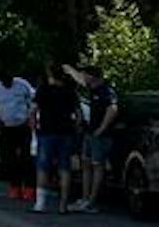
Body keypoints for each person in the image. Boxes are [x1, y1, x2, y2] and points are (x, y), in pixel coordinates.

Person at [65, 62, 119, 213]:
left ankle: (92, 201)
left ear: (92, 76)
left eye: (85, 75)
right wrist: (70, 70)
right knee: (86, 164)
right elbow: (79, 80)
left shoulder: (105, 91)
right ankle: (84, 198)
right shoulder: (92, 89)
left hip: (100, 136)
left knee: (97, 165)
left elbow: (113, 109)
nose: (83, 78)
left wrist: (102, 128)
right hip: (89, 133)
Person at [31, 63, 79, 214]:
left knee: (43, 167)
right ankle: (63, 205)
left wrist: (33, 129)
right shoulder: (70, 91)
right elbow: (78, 114)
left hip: (46, 131)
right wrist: (75, 129)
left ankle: (40, 203)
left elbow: (33, 111)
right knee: (65, 168)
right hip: (66, 132)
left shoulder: (43, 90)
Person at [0, 69, 37, 201]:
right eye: (5, 81)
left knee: (26, 157)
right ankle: (15, 187)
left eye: (10, 80)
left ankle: (29, 188)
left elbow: (33, 101)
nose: (8, 83)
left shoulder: (22, 84)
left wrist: (30, 118)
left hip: (22, 126)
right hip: (5, 127)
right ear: (0, 80)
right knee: (10, 158)